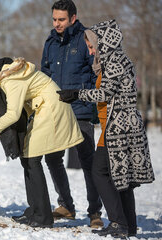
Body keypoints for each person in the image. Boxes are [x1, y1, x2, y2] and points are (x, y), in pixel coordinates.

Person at [57, 19, 155, 238]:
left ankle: (118, 223)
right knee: (121, 177)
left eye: (92, 47)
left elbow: (105, 93)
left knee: (99, 171)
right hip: (118, 126)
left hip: (118, 128)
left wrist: (76, 93)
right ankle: (127, 225)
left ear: (103, 43)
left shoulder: (114, 61)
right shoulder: (117, 60)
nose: (91, 52)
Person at [0, 56, 84, 228]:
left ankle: (43, 216)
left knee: (31, 159)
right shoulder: (5, 74)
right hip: (43, 108)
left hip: (51, 109)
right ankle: (34, 210)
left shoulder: (9, 79)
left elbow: (13, 114)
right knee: (27, 158)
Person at [40, 0, 103, 227]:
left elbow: (98, 74)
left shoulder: (85, 40)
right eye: (54, 19)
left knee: (88, 161)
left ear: (73, 18)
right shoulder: (50, 42)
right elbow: (44, 76)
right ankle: (66, 205)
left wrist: (84, 97)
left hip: (81, 111)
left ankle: (95, 212)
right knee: (52, 158)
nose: (57, 23)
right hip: (56, 111)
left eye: (61, 19)